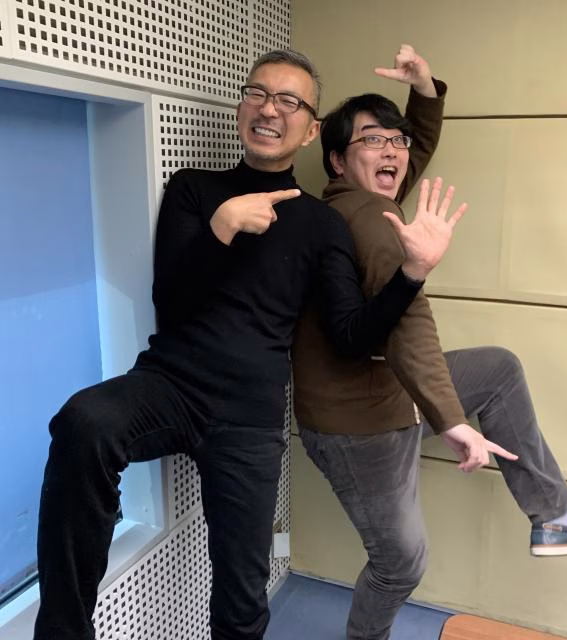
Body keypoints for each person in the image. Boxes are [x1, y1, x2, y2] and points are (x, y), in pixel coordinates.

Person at [32, 49, 454, 640]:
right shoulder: (195, 190)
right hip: (169, 384)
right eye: (257, 93)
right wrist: (221, 229)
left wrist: (412, 273)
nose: (269, 109)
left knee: (242, 598)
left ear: (311, 131)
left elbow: (351, 338)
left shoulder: (322, 224)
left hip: (249, 415)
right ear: (241, 108)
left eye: (289, 101)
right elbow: (170, 299)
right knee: (83, 423)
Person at [291, 44, 567, 640]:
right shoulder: (372, 223)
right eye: (373, 141)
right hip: (357, 425)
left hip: (376, 395)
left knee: (496, 369)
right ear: (338, 160)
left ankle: (554, 516)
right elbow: (407, 326)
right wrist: (450, 419)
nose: (393, 150)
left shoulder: (367, 200)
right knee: (400, 564)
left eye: (396, 140)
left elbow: (411, 150)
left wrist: (423, 91)